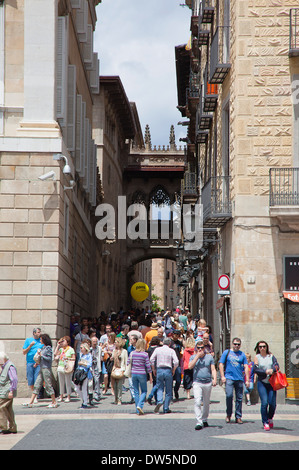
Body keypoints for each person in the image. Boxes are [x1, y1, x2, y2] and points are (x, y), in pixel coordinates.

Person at [219, 338, 249, 424]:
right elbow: (221, 364)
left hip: (239, 378)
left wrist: (247, 380)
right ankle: (228, 414)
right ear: (232, 344)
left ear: (240, 345)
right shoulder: (227, 352)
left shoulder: (242, 354)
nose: (236, 346)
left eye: (238, 344)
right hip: (229, 377)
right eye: (235, 344)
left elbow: (246, 366)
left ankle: (238, 416)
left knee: (239, 398)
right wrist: (222, 376)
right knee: (229, 395)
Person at [23, 334, 57, 408]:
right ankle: (31, 402)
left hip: (46, 369)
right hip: (41, 368)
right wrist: (37, 363)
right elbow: (41, 358)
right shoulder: (43, 348)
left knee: (48, 385)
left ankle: (54, 402)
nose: (40, 340)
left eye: (41, 339)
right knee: (37, 384)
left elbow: (49, 358)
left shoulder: (48, 348)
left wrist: (41, 355)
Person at [188, 341, 217, 430]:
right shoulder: (193, 357)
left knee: (206, 403)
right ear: (196, 348)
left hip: (207, 382)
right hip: (197, 382)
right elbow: (189, 366)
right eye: (198, 348)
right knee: (197, 401)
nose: (200, 349)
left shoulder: (209, 357)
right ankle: (199, 421)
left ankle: (204, 419)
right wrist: (197, 356)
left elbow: (213, 369)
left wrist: (214, 379)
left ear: (205, 348)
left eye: (202, 348)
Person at [254, 340, 280, 431]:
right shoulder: (257, 357)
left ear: (267, 347)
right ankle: (265, 422)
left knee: (272, 404)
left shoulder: (271, 356)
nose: (262, 348)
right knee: (264, 403)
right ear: (258, 348)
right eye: (260, 347)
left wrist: (272, 370)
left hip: (272, 383)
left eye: (264, 346)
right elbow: (255, 369)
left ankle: (270, 418)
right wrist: (265, 372)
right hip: (262, 382)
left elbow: (276, 365)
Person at [150, 337, 179, 414]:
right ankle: (166, 407)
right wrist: (174, 369)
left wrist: (153, 369)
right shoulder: (171, 351)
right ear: (169, 343)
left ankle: (159, 401)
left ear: (162, 342)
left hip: (159, 369)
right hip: (168, 370)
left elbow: (151, 359)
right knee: (169, 390)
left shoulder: (157, 349)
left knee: (159, 387)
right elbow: (176, 361)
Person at [129, 338, 152, 415]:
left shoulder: (132, 353)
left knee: (136, 392)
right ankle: (140, 405)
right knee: (144, 391)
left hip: (134, 373)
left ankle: (137, 410)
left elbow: (128, 362)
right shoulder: (145, 354)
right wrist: (151, 376)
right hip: (142, 373)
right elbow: (148, 366)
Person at [0, 352, 18, 434]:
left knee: (1, 407)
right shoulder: (4, 366)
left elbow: (14, 379)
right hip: (4, 391)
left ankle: (3, 427)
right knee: (8, 409)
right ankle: (12, 427)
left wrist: (12, 391)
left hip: (7, 392)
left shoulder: (10, 366)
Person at [54, 336, 75, 403]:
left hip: (67, 367)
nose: (62, 343)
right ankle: (61, 396)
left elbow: (74, 358)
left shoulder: (71, 349)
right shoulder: (61, 349)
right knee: (61, 382)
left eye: (64, 341)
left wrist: (67, 358)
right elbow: (55, 354)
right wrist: (58, 345)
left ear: (68, 342)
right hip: (61, 366)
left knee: (68, 382)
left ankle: (68, 396)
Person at [22, 327, 42, 398]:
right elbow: (24, 352)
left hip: (38, 363)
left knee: (37, 379)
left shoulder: (41, 340)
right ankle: (34, 393)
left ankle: (35, 396)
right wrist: (30, 346)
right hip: (30, 362)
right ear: (34, 333)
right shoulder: (28, 340)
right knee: (30, 379)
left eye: (40, 332)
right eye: (38, 332)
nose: (40, 333)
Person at [74, 342, 93, 409]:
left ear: (85, 348)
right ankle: (84, 400)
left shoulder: (89, 355)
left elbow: (89, 365)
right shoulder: (81, 355)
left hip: (85, 373)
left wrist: (82, 363)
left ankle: (85, 403)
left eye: (81, 348)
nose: (80, 349)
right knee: (76, 388)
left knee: (84, 388)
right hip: (79, 372)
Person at [111, 338, 128, 405]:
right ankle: (115, 398)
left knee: (119, 385)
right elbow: (112, 358)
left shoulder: (124, 351)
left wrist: (125, 371)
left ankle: (119, 399)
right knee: (114, 385)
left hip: (121, 369)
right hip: (115, 369)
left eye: (116, 342)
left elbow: (126, 361)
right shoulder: (114, 351)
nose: (115, 343)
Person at [147, 336, 161, 405]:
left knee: (155, 383)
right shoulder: (158, 349)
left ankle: (155, 399)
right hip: (158, 367)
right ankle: (151, 395)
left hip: (151, 367)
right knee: (158, 383)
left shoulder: (149, 349)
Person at [171, 330, 183, 400]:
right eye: (175, 334)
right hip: (170, 364)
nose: (176, 336)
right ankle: (170, 395)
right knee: (170, 380)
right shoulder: (170, 342)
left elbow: (181, 350)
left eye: (177, 335)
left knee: (178, 380)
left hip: (177, 363)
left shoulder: (179, 343)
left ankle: (176, 390)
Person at [90, 336, 102, 403]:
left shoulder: (99, 348)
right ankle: (91, 394)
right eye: (94, 341)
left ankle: (97, 394)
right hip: (90, 366)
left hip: (97, 365)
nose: (95, 343)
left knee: (97, 380)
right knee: (91, 381)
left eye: (96, 341)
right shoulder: (89, 349)